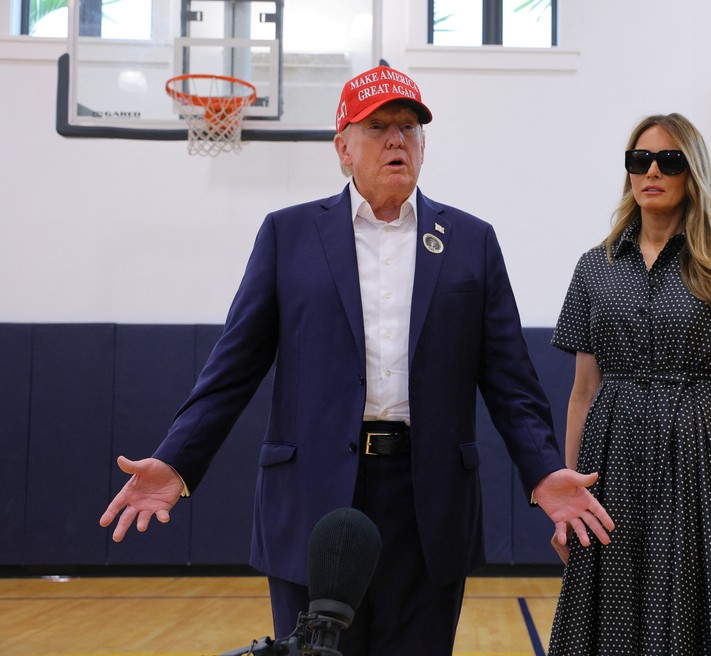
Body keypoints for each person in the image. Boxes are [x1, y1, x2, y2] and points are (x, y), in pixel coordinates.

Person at [99, 64, 614, 656]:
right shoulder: (287, 235)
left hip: (429, 504)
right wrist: (176, 460)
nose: (398, 140)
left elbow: (511, 383)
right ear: (343, 146)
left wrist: (544, 471)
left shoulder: (472, 242)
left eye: (410, 127)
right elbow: (232, 367)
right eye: (379, 127)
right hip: (313, 498)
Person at [547, 113, 711, 654]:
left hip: (705, 457)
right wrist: (567, 497)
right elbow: (583, 391)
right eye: (640, 160)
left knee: (709, 604)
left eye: (669, 161)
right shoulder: (594, 267)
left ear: (692, 172)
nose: (651, 171)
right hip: (615, 462)